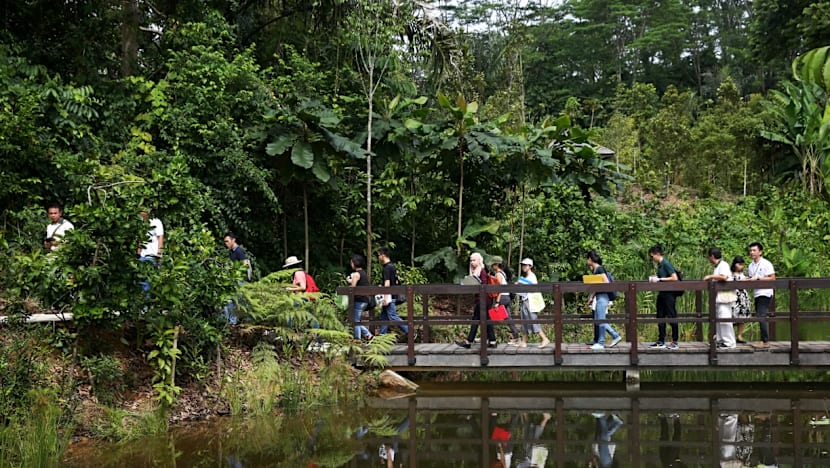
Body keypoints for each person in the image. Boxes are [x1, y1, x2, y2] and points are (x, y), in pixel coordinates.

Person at [456, 252, 495, 348]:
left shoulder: (482, 271)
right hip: (480, 299)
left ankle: (469, 341)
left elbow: (483, 285)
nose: (472, 262)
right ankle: (492, 341)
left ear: (479, 261)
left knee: (477, 319)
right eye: (471, 260)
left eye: (474, 260)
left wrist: (474, 282)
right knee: (485, 319)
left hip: (484, 299)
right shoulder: (475, 272)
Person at [586, 251, 622, 350]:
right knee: (599, 319)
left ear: (590, 259)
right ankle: (606, 340)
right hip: (599, 296)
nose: (586, 261)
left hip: (603, 296)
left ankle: (607, 340)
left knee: (600, 320)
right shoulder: (596, 269)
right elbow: (597, 285)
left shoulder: (599, 269)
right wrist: (591, 297)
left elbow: (606, 282)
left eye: (587, 259)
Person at [703, 247, 736, 348]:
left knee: (724, 318)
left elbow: (724, 277)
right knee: (718, 319)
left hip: (726, 297)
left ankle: (729, 342)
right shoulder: (717, 266)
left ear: (712, 256)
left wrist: (710, 276)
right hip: (720, 296)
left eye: (709, 257)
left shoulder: (723, 265)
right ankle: (721, 340)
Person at [648, 245, 680, 350]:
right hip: (662, 294)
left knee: (671, 316)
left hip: (669, 294)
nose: (651, 259)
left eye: (652, 257)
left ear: (657, 254)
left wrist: (660, 279)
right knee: (660, 316)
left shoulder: (666, 264)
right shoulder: (660, 265)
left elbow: (674, 278)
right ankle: (661, 340)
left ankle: (675, 341)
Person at [745, 242, 775, 347]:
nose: (752, 252)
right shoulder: (750, 265)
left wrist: (758, 278)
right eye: (751, 250)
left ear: (760, 252)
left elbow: (772, 278)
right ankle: (763, 339)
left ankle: (765, 341)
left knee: (762, 315)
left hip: (765, 292)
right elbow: (751, 277)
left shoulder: (766, 263)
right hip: (757, 293)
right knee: (759, 315)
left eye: (754, 250)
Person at [516, 258, 550, 348]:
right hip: (525, 300)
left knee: (533, 319)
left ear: (530, 266)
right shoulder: (527, 277)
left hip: (530, 301)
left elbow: (532, 288)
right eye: (523, 265)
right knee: (524, 320)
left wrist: (521, 283)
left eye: (525, 265)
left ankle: (544, 338)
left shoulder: (532, 276)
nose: (523, 267)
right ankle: (524, 341)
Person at [377, 247, 409, 338]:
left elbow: (387, 283)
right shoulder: (392, 266)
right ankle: (381, 338)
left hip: (390, 296)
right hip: (392, 294)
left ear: (383, 255)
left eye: (379, 255)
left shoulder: (387, 268)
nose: (378, 257)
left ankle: (409, 331)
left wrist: (386, 297)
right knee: (384, 317)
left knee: (392, 316)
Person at [491, 256, 521, 346]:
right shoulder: (503, 273)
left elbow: (500, 289)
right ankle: (516, 337)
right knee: (508, 318)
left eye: (493, 265)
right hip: (506, 297)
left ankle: (490, 337)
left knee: (491, 317)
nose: (492, 266)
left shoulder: (498, 274)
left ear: (496, 265)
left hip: (502, 298)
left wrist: (497, 302)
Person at [222, 232, 251, 324]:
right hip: (234, 280)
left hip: (240, 281)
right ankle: (231, 322)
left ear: (233, 240)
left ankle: (248, 323)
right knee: (230, 302)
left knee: (242, 303)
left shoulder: (239, 251)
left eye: (227, 241)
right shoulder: (232, 252)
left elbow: (245, 264)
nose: (226, 243)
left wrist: (240, 276)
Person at [348, 254, 373, 341]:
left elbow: (353, 287)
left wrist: (350, 281)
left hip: (359, 300)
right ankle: (368, 335)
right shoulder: (363, 273)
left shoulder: (356, 274)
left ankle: (358, 340)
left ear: (354, 263)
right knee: (356, 320)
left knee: (356, 321)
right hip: (366, 299)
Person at [138, 209, 164, 293]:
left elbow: (160, 238)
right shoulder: (140, 222)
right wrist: (139, 251)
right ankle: (143, 302)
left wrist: (159, 254)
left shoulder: (156, 221)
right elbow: (140, 237)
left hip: (152, 256)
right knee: (142, 281)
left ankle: (148, 303)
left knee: (151, 281)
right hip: (143, 255)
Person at [730, 256, 751, 344]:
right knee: (732, 315)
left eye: (742, 264)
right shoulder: (730, 273)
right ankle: (729, 336)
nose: (741, 266)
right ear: (735, 264)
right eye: (739, 264)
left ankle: (739, 335)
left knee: (742, 316)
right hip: (734, 296)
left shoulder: (742, 274)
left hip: (743, 296)